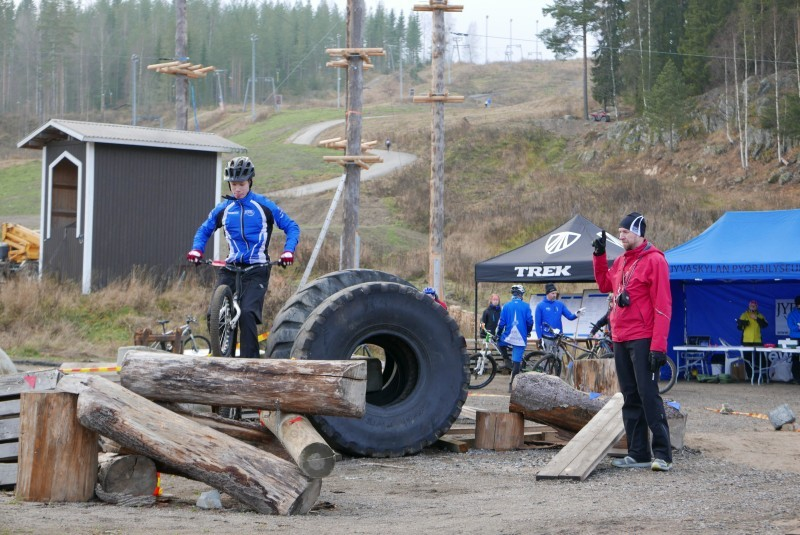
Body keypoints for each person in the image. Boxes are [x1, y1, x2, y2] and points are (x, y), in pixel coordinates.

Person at [187, 156, 300, 359]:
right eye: (233, 184)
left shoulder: (263, 206)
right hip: (231, 267)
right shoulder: (224, 209)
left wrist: (288, 252)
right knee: (215, 313)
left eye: (241, 184)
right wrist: (197, 250)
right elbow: (204, 230)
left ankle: (250, 363)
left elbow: (292, 227)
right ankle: (222, 359)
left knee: (247, 313)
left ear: (250, 182)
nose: (237, 189)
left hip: (257, 269)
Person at [592, 211, 673, 472]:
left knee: (648, 395)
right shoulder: (622, 261)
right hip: (620, 337)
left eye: (624, 232)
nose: (621, 236)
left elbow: (663, 305)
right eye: (619, 232)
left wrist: (658, 346)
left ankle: (663, 454)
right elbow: (605, 283)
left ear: (638, 232)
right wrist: (599, 255)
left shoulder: (655, 261)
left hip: (643, 337)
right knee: (629, 396)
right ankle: (638, 453)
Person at [496, 284, 533, 391]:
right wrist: (528, 332)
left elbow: (501, 323)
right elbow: (530, 321)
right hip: (521, 337)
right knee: (517, 362)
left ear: (513, 294)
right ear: (521, 295)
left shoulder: (506, 306)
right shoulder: (526, 306)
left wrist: (498, 334)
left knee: (499, 343)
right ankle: (511, 385)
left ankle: (506, 359)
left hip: (508, 336)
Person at [534, 282, 585, 354]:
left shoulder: (560, 304)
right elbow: (537, 324)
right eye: (553, 293)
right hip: (546, 338)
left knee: (558, 360)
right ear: (547, 293)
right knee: (545, 362)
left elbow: (569, 317)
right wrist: (539, 338)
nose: (555, 295)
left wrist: (576, 314)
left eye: (555, 293)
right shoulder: (540, 306)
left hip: (558, 338)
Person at [481, 294, 512, 372]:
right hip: (489, 335)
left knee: (502, 348)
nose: (495, 301)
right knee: (485, 351)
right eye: (494, 299)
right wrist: (482, 332)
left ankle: (508, 363)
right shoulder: (486, 311)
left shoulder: (501, 311)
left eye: (497, 299)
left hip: (499, 334)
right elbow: (482, 323)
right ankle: (483, 367)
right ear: (491, 300)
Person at [787, 296, 800, 381]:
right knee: (795, 358)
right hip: (795, 339)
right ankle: (796, 377)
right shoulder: (792, 314)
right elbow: (791, 327)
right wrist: (799, 327)